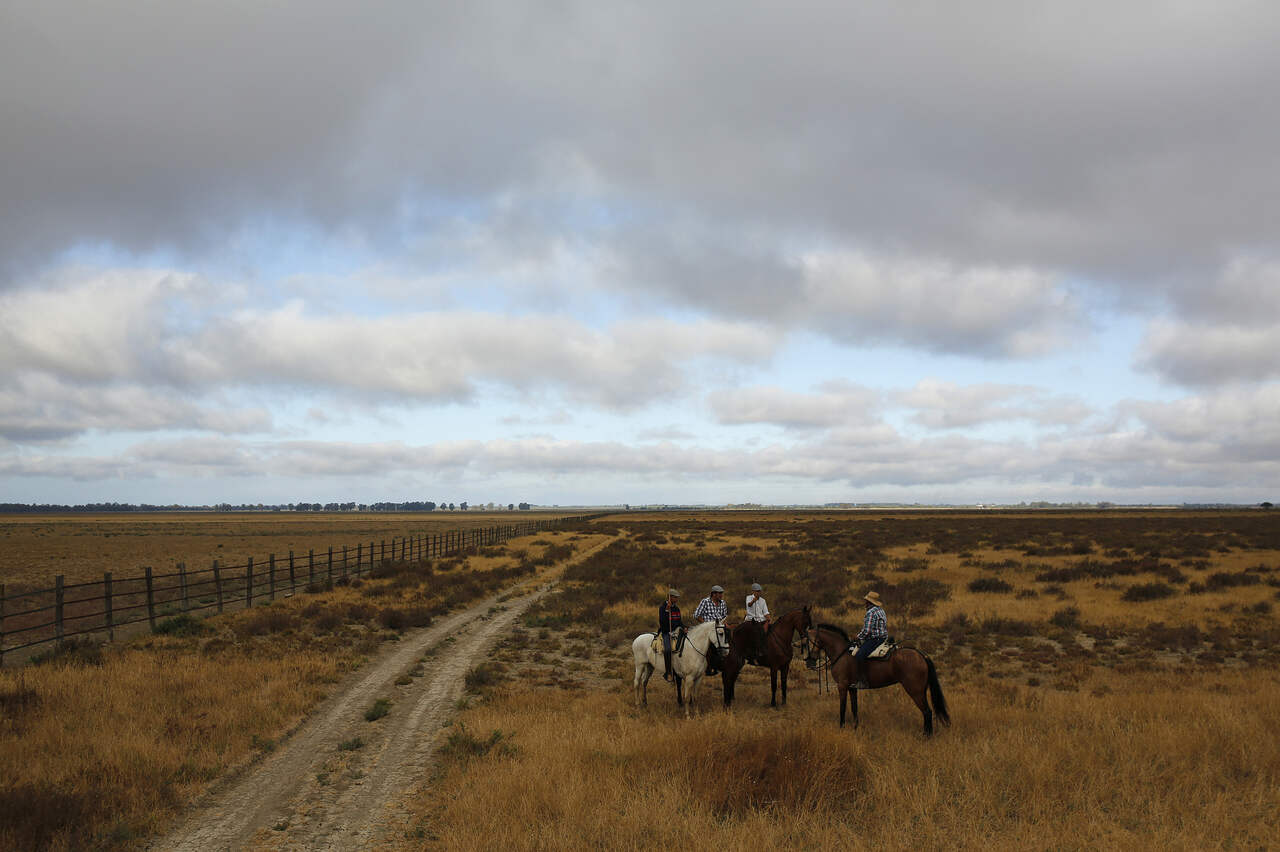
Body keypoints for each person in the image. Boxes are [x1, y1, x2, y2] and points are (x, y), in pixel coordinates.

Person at [853, 590, 887, 689]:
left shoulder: (870, 612)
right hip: (883, 637)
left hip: (875, 639)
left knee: (859, 655)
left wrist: (858, 637)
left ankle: (863, 681)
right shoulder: (880, 610)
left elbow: (867, 631)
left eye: (866, 601)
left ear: (869, 602)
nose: (865, 603)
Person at [693, 585, 728, 675]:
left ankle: (725, 663)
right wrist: (706, 625)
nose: (721, 595)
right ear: (713, 594)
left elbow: (724, 616)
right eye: (719, 593)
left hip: (719, 627)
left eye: (721, 593)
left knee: (727, 640)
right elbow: (697, 615)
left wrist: (724, 624)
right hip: (707, 629)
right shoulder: (705, 602)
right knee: (709, 646)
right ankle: (708, 666)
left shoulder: (723, 603)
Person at [658, 588, 683, 682]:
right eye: (675, 597)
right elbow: (662, 622)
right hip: (666, 632)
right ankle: (668, 672)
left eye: (677, 598)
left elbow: (679, 621)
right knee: (668, 649)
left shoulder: (676, 608)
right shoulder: (662, 607)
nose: (677, 599)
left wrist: (684, 627)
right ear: (670, 597)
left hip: (677, 631)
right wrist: (667, 610)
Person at [744, 582, 770, 664]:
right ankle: (751, 655)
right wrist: (753, 601)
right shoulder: (748, 598)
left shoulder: (763, 600)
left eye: (760, 591)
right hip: (751, 620)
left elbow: (765, 612)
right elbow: (749, 605)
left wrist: (768, 617)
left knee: (769, 632)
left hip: (760, 620)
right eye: (757, 591)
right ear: (753, 591)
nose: (759, 593)